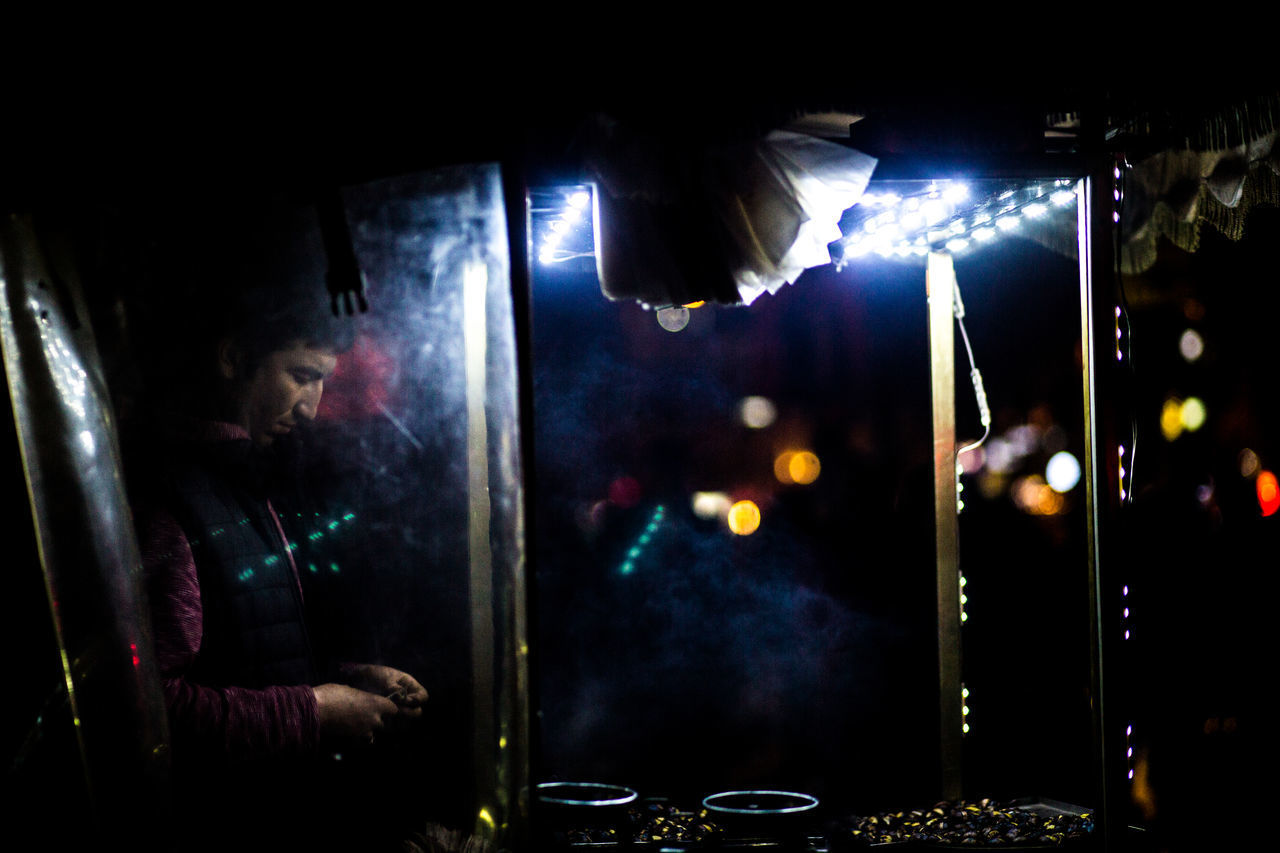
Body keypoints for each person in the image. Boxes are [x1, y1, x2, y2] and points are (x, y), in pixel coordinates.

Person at [125, 203, 428, 849]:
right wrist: (314, 711)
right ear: (234, 358)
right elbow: (150, 708)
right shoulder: (164, 498)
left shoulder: (238, 481)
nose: (313, 408)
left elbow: (243, 651)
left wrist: (345, 679)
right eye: (302, 376)